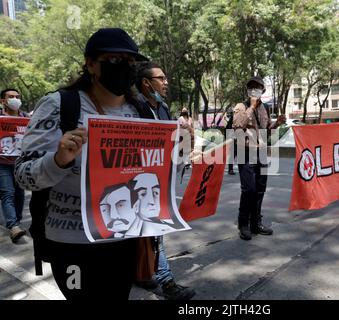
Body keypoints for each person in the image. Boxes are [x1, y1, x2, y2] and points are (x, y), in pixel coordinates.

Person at [14, 28, 150, 299]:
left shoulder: (142, 111)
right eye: (114, 60)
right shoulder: (60, 106)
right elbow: (22, 175)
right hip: (72, 243)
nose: (124, 67)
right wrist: (58, 161)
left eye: (131, 62)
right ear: (90, 64)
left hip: (124, 238)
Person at [135, 63, 196, 300]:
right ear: (146, 83)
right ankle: (166, 281)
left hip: (160, 178)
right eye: (161, 78)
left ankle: (143, 275)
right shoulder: (134, 107)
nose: (166, 82)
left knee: (150, 230)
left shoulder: (162, 108)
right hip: (137, 179)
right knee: (152, 228)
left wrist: (186, 144)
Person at [232, 76, 286, 240]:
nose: (254, 89)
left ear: (263, 90)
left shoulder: (266, 108)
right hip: (245, 151)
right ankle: (243, 224)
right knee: (248, 189)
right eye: (251, 86)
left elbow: (266, 131)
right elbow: (238, 125)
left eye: (257, 87)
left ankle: (256, 223)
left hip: (261, 152)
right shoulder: (241, 106)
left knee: (260, 190)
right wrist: (252, 106)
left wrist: (276, 124)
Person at [0, 88, 28, 243]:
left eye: (17, 96)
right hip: (2, 162)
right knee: (8, 192)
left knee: (19, 193)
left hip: (20, 161)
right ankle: (13, 225)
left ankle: (16, 223)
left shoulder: (26, 118)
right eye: (11, 97)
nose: (15, 99)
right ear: (3, 101)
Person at [225, 110, 237, 175]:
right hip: (233, 139)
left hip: (240, 139)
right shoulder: (232, 120)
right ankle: (230, 169)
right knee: (233, 154)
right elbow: (227, 128)